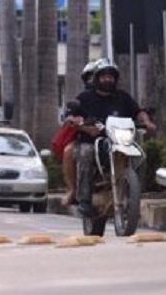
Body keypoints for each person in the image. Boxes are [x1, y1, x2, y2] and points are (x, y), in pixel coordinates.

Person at [65, 58, 156, 217]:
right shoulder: (85, 97)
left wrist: (147, 122)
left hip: (120, 141)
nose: (108, 79)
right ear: (97, 78)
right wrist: (80, 124)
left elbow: (138, 112)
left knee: (142, 156)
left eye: (111, 76)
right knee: (85, 153)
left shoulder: (123, 97)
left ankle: (134, 196)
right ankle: (84, 200)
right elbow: (71, 116)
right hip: (93, 142)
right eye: (104, 76)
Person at [60, 60, 97, 206]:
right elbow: (69, 116)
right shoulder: (82, 98)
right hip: (87, 140)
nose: (93, 80)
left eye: (97, 76)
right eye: (90, 77)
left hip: (116, 140)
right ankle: (75, 191)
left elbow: (135, 112)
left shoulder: (119, 97)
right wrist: (75, 121)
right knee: (69, 151)